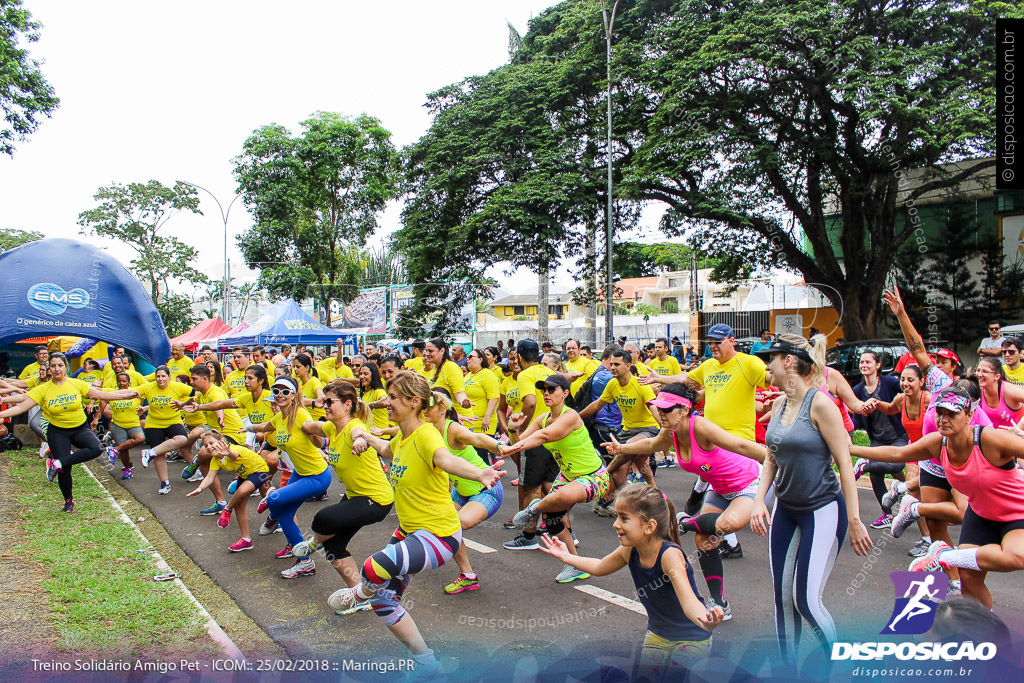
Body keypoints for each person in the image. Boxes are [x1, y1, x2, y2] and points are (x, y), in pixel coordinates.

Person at [328, 371, 505, 677]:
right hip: (410, 531)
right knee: (386, 602)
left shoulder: (426, 435)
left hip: (439, 535)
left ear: (413, 402)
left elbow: (446, 460)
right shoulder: (402, 436)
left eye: (393, 398)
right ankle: (426, 662)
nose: (387, 402)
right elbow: (386, 449)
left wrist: (480, 474)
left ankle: (357, 596)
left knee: (372, 568)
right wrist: (365, 437)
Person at [750, 335, 872, 662]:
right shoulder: (779, 404)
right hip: (785, 510)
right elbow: (771, 458)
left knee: (805, 600)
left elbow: (845, 463)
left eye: (770, 359)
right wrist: (760, 500)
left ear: (789, 361)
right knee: (783, 599)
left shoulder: (820, 405)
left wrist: (857, 519)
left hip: (822, 510)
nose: (766, 367)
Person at [603, 384, 768, 619]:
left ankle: (684, 522)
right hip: (720, 489)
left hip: (748, 483)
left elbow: (740, 445)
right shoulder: (669, 431)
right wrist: (622, 447)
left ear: (684, 410)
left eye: (667, 409)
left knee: (725, 526)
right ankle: (720, 603)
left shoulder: (699, 426)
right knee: (705, 541)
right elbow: (651, 445)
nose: (661, 414)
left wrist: (776, 459)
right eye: (659, 409)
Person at [853, 387, 1024, 608]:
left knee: (1017, 556)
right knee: (969, 579)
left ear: (969, 415)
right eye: (939, 413)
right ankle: (984, 629)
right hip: (980, 513)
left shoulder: (989, 439)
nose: (943, 419)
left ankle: (945, 555)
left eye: (951, 414)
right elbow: (898, 454)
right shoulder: (938, 443)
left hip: (1016, 511)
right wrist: (850, 448)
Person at [538, 484, 724, 681]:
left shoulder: (669, 555)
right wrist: (566, 557)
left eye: (624, 518)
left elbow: (688, 601)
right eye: (617, 516)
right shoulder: (630, 550)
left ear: (649, 526)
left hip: (691, 638)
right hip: (658, 636)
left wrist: (705, 619)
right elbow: (600, 566)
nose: (615, 524)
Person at [292, 381, 394, 610]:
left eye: (330, 402)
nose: (325, 406)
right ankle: (361, 597)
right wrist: (297, 420)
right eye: (324, 401)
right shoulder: (331, 428)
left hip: (375, 500)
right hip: (355, 495)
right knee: (334, 547)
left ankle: (313, 543)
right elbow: (310, 426)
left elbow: (360, 433)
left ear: (348, 404)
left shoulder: (354, 426)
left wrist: (361, 440)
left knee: (323, 519)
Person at [502, 374, 609, 583]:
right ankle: (574, 564)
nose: (547, 393)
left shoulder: (571, 416)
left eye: (552, 389)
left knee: (563, 495)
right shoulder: (542, 419)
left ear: (565, 393)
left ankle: (534, 508)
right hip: (567, 476)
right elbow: (520, 442)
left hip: (592, 476)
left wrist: (511, 446)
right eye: (544, 390)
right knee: (552, 522)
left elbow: (544, 437)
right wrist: (513, 429)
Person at [0, 353, 137, 512]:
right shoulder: (43, 389)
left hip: (80, 428)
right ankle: (68, 501)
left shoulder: (76, 384)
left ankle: (56, 463)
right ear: (49, 368)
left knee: (96, 449)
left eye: (60, 365)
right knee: (66, 468)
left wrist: (129, 393)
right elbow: (21, 406)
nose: (56, 369)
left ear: (66, 367)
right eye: (53, 366)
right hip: (57, 432)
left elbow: (104, 395)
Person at [248, 376, 333, 578]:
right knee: (286, 516)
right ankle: (305, 562)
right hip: (299, 472)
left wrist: (328, 435)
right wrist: (247, 428)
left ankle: (272, 516)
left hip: (317, 476)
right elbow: (264, 427)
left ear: (294, 394)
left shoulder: (301, 415)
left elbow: (317, 429)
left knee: (274, 498)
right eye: (276, 391)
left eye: (285, 391)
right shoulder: (279, 419)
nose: (280, 395)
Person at [424, 387, 505, 595]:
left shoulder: (453, 430)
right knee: (439, 523)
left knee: (456, 523)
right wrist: (374, 435)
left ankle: (464, 573)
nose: (425, 410)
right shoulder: (428, 431)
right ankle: (468, 576)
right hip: (461, 491)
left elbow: (477, 439)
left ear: (442, 408)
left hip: (486, 487)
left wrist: (499, 446)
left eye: (429, 406)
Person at [580, 348, 660, 515]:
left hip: (648, 429)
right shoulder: (612, 384)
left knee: (627, 450)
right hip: (627, 430)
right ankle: (649, 501)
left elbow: (653, 408)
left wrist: (668, 429)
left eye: (617, 364)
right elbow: (597, 405)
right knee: (629, 471)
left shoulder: (640, 384)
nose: (613, 367)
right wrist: (576, 417)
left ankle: (606, 476)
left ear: (628, 366)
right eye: (611, 364)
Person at [870, 364, 934, 557]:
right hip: (914, 451)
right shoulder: (901, 399)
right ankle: (927, 540)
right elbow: (890, 409)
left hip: (933, 454)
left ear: (922, 382)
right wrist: (875, 403)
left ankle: (899, 489)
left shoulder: (929, 400)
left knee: (928, 497)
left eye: (910, 380)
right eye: (903, 380)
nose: (905, 384)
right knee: (914, 496)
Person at [503, 339, 560, 551]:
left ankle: (528, 536)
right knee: (549, 486)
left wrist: (521, 428)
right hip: (553, 435)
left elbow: (530, 401)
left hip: (535, 438)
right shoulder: (548, 372)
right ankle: (562, 531)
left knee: (531, 487)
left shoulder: (526, 375)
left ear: (519, 356)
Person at [187, 430, 273, 552]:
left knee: (245, 492)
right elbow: (210, 477)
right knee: (240, 505)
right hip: (245, 474)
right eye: (206, 446)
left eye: (211, 443)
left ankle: (227, 509)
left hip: (260, 472)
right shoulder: (215, 460)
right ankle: (246, 540)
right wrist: (199, 489)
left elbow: (235, 455)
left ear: (221, 441)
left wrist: (228, 453)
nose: (209, 447)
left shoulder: (231, 449)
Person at [852, 351, 909, 529]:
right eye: (862, 362)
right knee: (877, 474)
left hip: (898, 436)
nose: (864, 365)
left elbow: (907, 395)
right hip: (877, 439)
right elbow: (855, 416)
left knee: (897, 467)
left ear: (878, 365)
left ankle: (864, 465)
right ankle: (888, 514)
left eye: (868, 362)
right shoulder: (858, 390)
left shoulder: (890, 383)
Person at [135, 367, 195, 491]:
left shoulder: (177, 386)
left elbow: (198, 393)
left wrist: (184, 404)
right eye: (158, 376)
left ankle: (149, 453)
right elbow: (130, 392)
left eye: (163, 376)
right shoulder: (149, 387)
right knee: (159, 454)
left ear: (169, 377)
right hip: (154, 423)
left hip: (173, 421)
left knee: (183, 439)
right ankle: (165, 483)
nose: (160, 379)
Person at [101, 371, 146, 479]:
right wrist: (102, 413)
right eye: (119, 381)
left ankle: (114, 449)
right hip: (118, 425)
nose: (121, 383)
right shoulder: (112, 393)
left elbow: (149, 390)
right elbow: (99, 395)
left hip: (134, 425)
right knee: (124, 450)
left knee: (140, 438)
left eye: (124, 381)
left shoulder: (136, 393)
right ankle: (127, 469)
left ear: (129, 382)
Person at [459, 349, 500, 451]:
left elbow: (494, 398)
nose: (468, 360)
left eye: (471, 357)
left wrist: (487, 418)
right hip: (469, 425)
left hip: (483, 425)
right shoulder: (468, 375)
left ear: (480, 359)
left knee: (482, 458)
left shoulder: (487, 374)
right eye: (467, 357)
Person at [423, 338, 471, 408]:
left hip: (457, 416)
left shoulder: (451, 368)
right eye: (426, 350)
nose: (427, 354)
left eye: (430, 351)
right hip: (441, 416)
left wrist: (464, 401)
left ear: (442, 351)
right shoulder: (434, 368)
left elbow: (459, 392)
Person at [293, 353, 326, 421]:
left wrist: (319, 399)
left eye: (298, 367)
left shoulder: (314, 381)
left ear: (307, 367)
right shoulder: (299, 384)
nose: (295, 369)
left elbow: (320, 393)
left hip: (318, 421)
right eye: (294, 366)